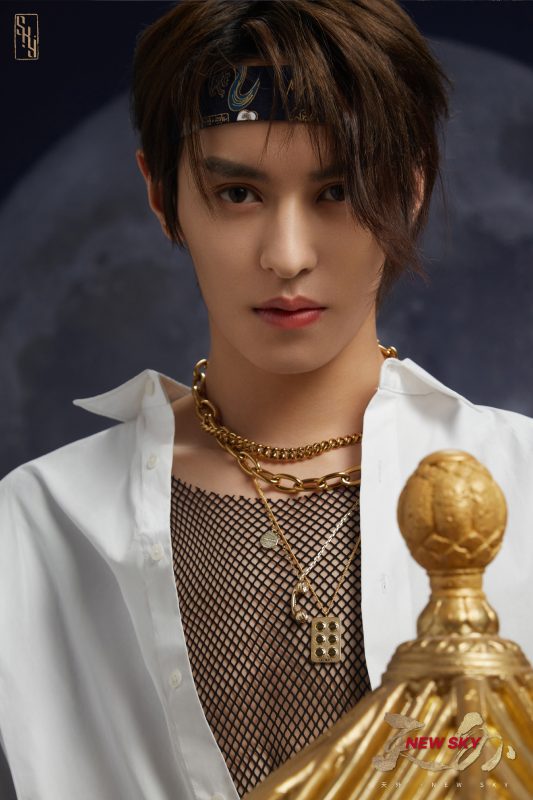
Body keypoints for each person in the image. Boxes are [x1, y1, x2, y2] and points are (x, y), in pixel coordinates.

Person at [1, 2, 532, 799]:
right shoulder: (40, 526)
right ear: (161, 195)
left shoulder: (522, 485)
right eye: (238, 193)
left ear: (411, 189)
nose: (286, 257)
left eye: (337, 190)